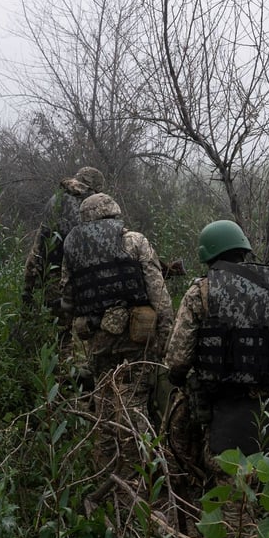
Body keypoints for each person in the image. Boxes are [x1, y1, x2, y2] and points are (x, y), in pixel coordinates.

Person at [164, 219, 269, 492]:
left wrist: (182, 379)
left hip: (223, 405)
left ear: (208, 254)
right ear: (243, 248)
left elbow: (177, 360)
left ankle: (186, 489)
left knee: (228, 483)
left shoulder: (201, 291)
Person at [60, 192, 174, 476]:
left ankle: (107, 472)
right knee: (134, 402)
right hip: (135, 337)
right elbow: (159, 296)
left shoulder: (72, 248)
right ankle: (146, 475)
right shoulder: (134, 240)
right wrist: (166, 337)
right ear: (113, 213)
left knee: (105, 405)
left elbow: (67, 300)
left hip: (98, 338)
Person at [21, 166, 105, 323]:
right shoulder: (91, 205)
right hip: (76, 279)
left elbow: (39, 244)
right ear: (96, 186)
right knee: (74, 326)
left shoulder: (56, 199)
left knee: (54, 323)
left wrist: (28, 285)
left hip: (49, 274)